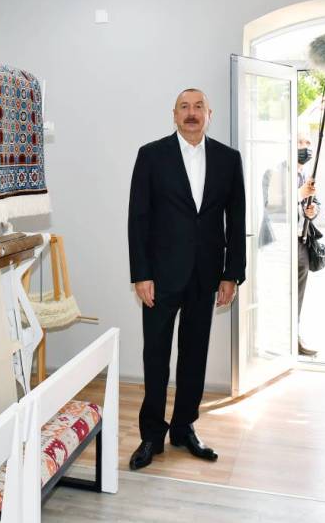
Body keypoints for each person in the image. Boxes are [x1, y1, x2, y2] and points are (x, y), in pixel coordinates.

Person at [127, 88, 246, 471]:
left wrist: (232, 274)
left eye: (198, 107)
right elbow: (138, 218)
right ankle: (151, 435)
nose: (191, 113)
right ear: (174, 114)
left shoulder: (228, 159)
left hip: (206, 274)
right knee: (156, 356)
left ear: (209, 114)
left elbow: (237, 219)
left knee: (194, 355)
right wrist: (141, 274)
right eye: (184, 107)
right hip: (159, 277)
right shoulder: (151, 155)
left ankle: (183, 428)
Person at [295, 135, 320, 356]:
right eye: (300, 143)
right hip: (281, 245)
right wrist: (298, 195)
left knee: (298, 294)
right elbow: (272, 206)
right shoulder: (277, 172)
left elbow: (315, 203)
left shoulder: (307, 176)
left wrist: (313, 211)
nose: (305, 148)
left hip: (302, 242)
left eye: (307, 143)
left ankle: (294, 338)